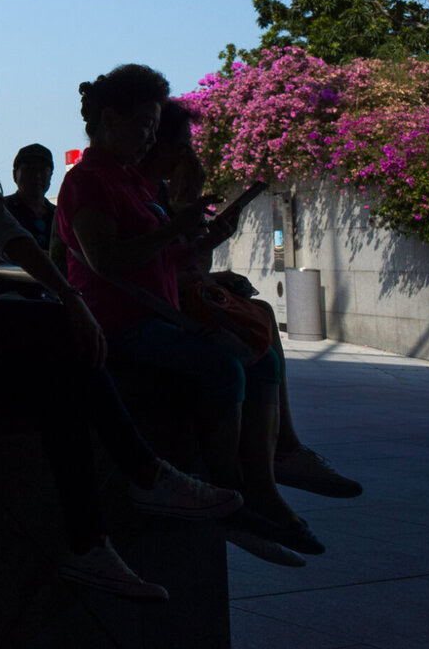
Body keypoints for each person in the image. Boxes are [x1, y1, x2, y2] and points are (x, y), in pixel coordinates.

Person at [0, 57, 240, 601]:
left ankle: (88, 542)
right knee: (52, 334)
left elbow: (10, 237)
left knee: (59, 380)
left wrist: (68, 296)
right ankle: (143, 473)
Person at [56, 65, 319, 567]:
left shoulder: (130, 183)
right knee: (224, 367)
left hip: (158, 316)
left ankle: (261, 484)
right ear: (109, 120)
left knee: (260, 360)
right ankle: (227, 492)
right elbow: (104, 261)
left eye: (155, 131)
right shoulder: (87, 183)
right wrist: (171, 229)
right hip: (121, 324)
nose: (149, 139)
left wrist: (201, 239)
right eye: (144, 127)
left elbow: (163, 260)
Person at [142, 101, 363, 502]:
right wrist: (189, 238)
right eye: (182, 147)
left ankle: (279, 454)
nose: (188, 157)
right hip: (155, 311)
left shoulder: (151, 196)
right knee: (239, 354)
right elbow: (135, 268)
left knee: (258, 319)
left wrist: (206, 243)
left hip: (174, 297)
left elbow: (172, 263)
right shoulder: (135, 196)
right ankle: (255, 474)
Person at [2, 143, 57, 260]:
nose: (37, 176)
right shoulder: (0, 209)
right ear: (14, 175)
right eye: (29, 170)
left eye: (43, 170)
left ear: (51, 176)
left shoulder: (59, 214)